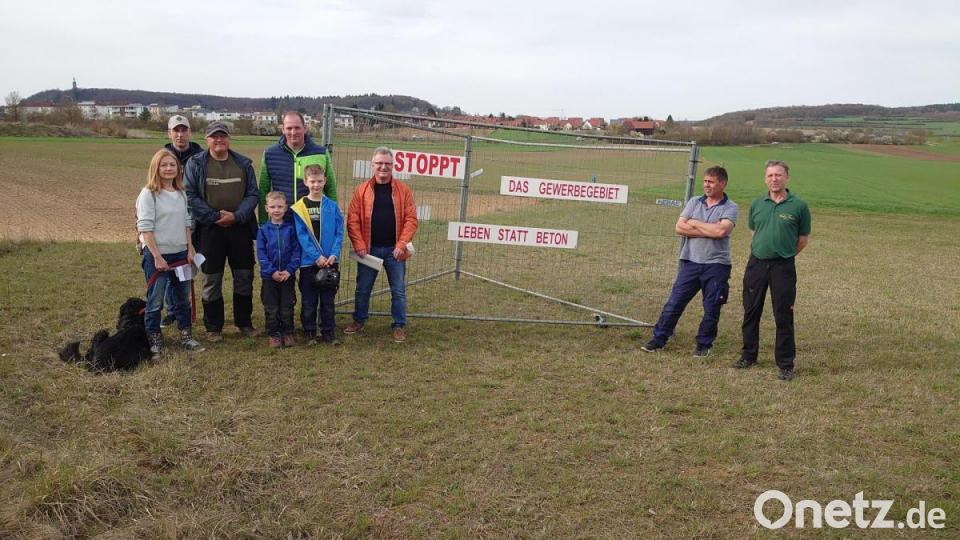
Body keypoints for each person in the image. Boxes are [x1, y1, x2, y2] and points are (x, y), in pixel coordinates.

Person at [642, 166, 739, 357]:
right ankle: (659, 338)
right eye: (705, 181)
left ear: (722, 183)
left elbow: (721, 231)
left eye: (711, 182)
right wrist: (709, 229)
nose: (706, 185)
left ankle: (704, 344)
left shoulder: (731, 207)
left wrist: (694, 223)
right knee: (674, 303)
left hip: (716, 265)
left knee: (712, 308)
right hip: (691, 262)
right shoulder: (694, 202)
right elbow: (679, 228)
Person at [734, 160, 811, 381]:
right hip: (756, 264)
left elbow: (802, 239)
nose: (774, 179)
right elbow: (754, 231)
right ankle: (748, 356)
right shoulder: (757, 204)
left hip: (783, 266)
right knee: (751, 311)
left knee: (783, 314)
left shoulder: (799, 206)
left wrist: (784, 254)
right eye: (770, 175)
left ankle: (785, 364)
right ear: (765, 178)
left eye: (778, 175)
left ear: (787, 177)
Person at [183, 121, 260, 342]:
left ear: (229, 138)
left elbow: (253, 194)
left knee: (244, 276)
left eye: (223, 136)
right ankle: (213, 326)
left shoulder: (243, 164)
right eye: (214, 136)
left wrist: (236, 216)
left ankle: (244, 323)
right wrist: (215, 217)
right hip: (209, 230)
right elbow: (190, 196)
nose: (219, 140)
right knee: (211, 278)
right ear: (206, 139)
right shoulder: (195, 164)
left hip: (240, 228)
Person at [136, 149, 205, 358]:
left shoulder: (181, 193)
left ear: (178, 168)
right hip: (158, 256)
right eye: (163, 165)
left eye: (172, 165)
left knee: (182, 299)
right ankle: (154, 339)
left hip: (181, 255)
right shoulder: (148, 194)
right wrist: (157, 257)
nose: (168, 169)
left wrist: (190, 249)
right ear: (156, 168)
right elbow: (145, 228)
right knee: (155, 301)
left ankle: (186, 335)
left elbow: (186, 224)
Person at [344, 147, 418, 343]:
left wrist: (402, 244)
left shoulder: (403, 190)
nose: (383, 167)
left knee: (398, 291)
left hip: (395, 251)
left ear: (393, 166)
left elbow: (411, 219)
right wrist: (359, 244)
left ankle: (399, 325)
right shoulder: (362, 190)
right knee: (363, 289)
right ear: (372, 165)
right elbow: (353, 219)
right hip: (369, 250)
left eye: (387, 163)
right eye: (379, 163)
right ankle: (359, 320)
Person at [291, 156, 344, 344]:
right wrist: (316, 257)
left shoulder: (332, 206)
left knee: (328, 300)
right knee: (309, 300)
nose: (316, 185)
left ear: (325, 181)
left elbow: (339, 232)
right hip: (309, 263)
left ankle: (328, 331)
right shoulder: (299, 208)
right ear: (306, 182)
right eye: (312, 181)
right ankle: (309, 331)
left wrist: (333, 254)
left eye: (319, 181)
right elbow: (302, 236)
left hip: (330, 262)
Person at [158, 115, 204, 328]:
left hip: (198, 218)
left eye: (183, 130)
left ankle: (186, 309)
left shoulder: (201, 156)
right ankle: (173, 310)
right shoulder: (162, 158)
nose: (180, 135)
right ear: (169, 133)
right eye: (175, 130)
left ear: (189, 132)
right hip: (171, 222)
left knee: (191, 267)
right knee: (171, 268)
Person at [258, 111, 337, 222]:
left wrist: (333, 219)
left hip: (312, 223)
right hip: (282, 223)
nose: (293, 132)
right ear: (283, 129)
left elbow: (331, 188)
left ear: (305, 128)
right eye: (289, 128)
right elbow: (263, 191)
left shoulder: (321, 153)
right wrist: (263, 223)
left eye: (297, 128)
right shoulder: (270, 154)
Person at [256, 191, 301, 348]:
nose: (276, 210)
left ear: (286, 208)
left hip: (287, 275)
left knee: (287, 306)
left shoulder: (291, 229)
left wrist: (289, 270)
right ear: (266, 208)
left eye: (280, 207)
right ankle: (274, 333)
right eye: (273, 207)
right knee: (271, 306)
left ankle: (288, 332)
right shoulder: (263, 230)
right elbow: (261, 254)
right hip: (269, 277)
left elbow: (296, 252)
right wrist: (272, 271)